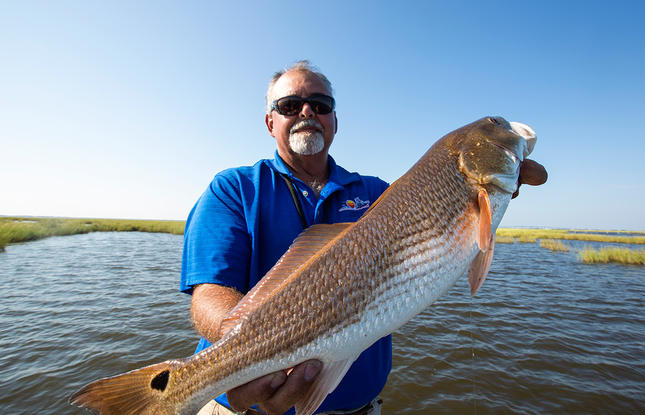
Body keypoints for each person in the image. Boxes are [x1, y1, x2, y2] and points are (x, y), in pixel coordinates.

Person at [180, 60, 547, 415]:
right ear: (269, 121)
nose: (307, 112)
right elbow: (208, 294)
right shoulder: (233, 188)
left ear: (335, 121)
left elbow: (448, 247)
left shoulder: (379, 194)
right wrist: (246, 352)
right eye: (290, 105)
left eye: (320, 105)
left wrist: (489, 199)